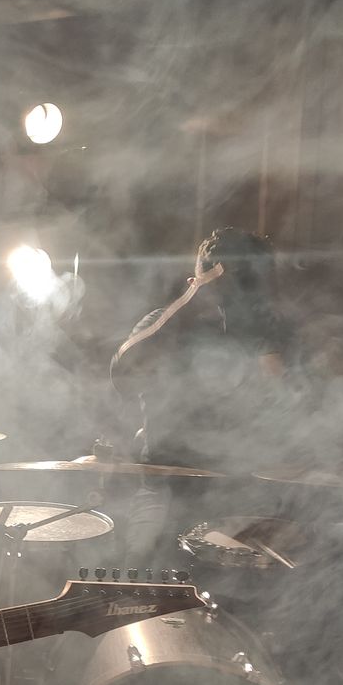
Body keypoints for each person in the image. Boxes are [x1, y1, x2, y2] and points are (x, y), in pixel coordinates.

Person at [110, 227, 296, 564]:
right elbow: (125, 373)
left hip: (240, 493)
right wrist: (194, 298)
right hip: (167, 491)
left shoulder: (263, 333)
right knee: (141, 572)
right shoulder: (165, 322)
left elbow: (288, 406)